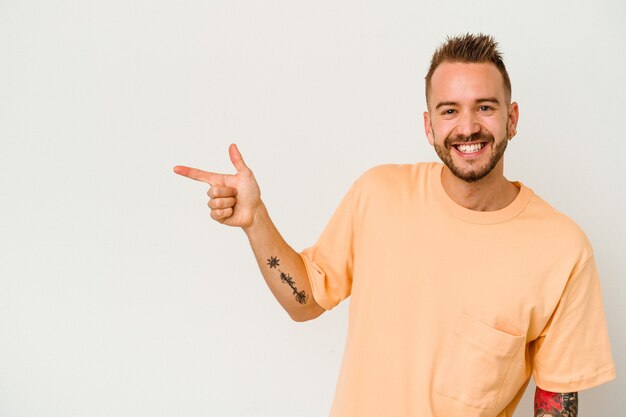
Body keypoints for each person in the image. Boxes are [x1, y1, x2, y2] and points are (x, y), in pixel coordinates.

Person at [173, 34, 615, 417]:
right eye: (448, 111)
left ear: (512, 118)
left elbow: (555, 400)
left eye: (484, 107)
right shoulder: (378, 195)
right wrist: (255, 221)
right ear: (428, 126)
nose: (467, 127)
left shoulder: (562, 250)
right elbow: (304, 300)